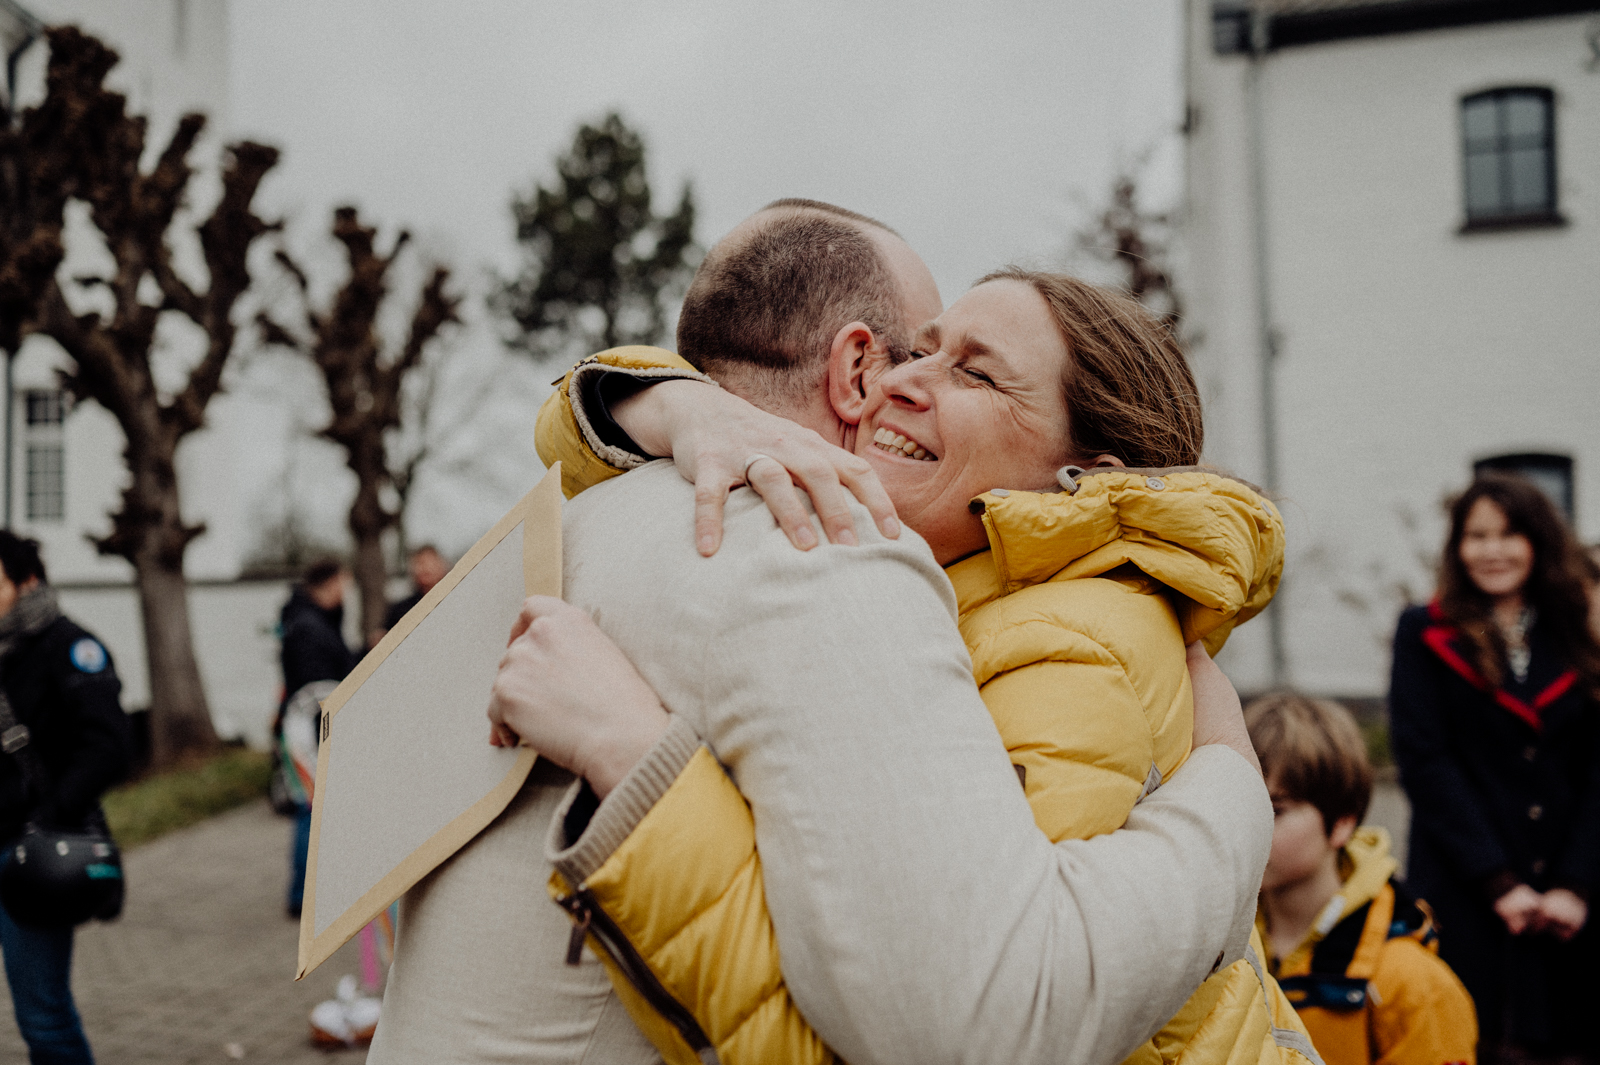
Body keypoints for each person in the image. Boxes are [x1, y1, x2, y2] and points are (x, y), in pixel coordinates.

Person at [370, 202, 1277, 1065]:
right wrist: (656, 402)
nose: (901, 381)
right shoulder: (835, 557)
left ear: (1087, 480)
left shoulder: (1017, 619)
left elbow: (982, 1023)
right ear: (852, 367)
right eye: (916, 349)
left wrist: (1235, 799)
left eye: (972, 369)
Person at [1388, 474, 1600, 1062]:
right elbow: (1425, 762)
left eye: (1509, 534)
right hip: (1468, 889)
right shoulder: (1423, 632)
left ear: (1539, 542)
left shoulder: (1582, 631)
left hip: (1571, 894)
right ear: (1457, 547)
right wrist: (1500, 883)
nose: (1491, 550)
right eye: (1475, 535)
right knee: (1477, 1040)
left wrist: (1575, 884)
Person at [1247, 692, 1477, 1065]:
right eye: (1240, 802)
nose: (1247, 825)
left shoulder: (1413, 984)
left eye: (1275, 809)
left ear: (1342, 823)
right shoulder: (1216, 950)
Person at [0, 530, 131, 1064]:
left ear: (25, 580)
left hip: (32, 852)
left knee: (43, 1016)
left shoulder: (70, 647)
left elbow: (110, 747)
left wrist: (49, 818)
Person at [278, 557, 358, 919]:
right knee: (311, 810)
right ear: (331, 583)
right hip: (310, 736)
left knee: (314, 810)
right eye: (344, 584)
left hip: (309, 729)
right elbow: (320, 686)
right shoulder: (310, 628)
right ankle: (302, 895)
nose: (347, 593)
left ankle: (310, 891)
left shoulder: (307, 620)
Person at [382, 545, 448, 633]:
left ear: (442, 566)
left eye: (430, 562)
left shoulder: (455, 601)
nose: (424, 568)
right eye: (419, 563)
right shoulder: (401, 610)